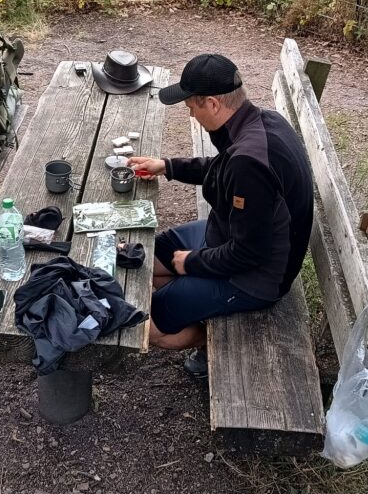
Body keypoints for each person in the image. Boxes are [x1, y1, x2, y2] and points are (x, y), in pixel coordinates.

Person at [128, 53, 314, 376]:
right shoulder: (259, 122)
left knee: (149, 323)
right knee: (147, 257)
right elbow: (221, 168)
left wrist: (193, 263)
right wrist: (167, 167)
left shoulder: (249, 163)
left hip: (258, 276)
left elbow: (248, 253)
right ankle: (197, 302)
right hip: (230, 233)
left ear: (213, 104)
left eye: (191, 105)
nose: (189, 112)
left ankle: (213, 345)